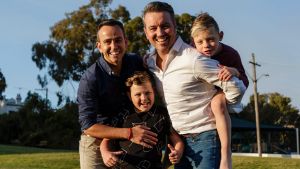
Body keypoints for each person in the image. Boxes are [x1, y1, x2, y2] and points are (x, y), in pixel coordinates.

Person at [142, 1, 246, 169]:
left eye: (165, 26)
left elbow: (237, 87)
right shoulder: (149, 62)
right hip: (178, 144)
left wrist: (222, 101)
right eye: (153, 28)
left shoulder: (193, 59)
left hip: (205, 139)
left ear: (175, 26)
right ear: (146, 32)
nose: (160, 33)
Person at [77, 19, 159, 169]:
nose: (114, 46)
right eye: (108, 42)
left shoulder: (136, 62)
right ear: (99, 46)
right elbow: (88, 126)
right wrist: (128, 133)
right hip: (97, 139)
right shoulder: (90, 78)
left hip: (133, 132)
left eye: (118, 40)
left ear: (126, 42)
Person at [190, 12, 249, 169]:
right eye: (200, 41)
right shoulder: (192, 54)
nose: (206, 45)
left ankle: (226, 153)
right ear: (193, 42)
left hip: (221, 94)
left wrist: (234, 71)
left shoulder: (230, 54)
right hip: (201, 98)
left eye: (211, 39)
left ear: (220, 36)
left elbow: (245, 80)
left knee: (217, 104)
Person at [99, 71, 184, 169]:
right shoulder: (123, 114)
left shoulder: (162, 114)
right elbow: (106, 140)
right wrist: (105, 153)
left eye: (148, 93)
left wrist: (177, 152)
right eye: (138, 94)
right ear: (129, 96)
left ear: (154, 91)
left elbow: (177, 141)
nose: (144, 98)